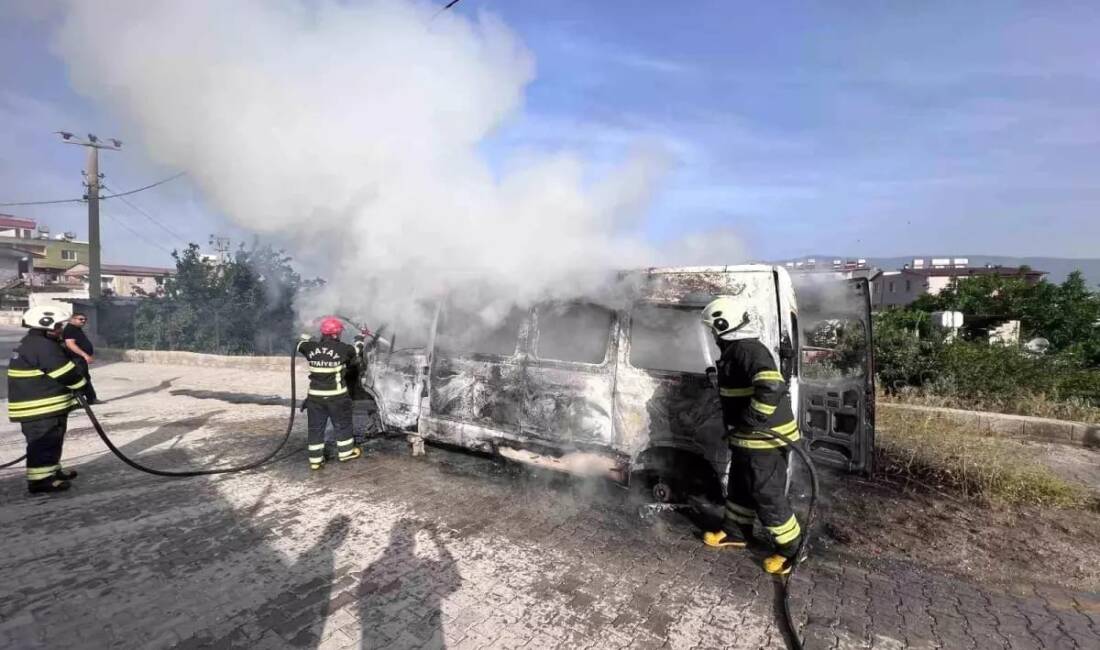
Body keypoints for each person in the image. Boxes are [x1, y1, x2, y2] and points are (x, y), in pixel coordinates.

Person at [700, 295, 802, 575]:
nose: (712, 334)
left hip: (766, 441)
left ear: (723, 325)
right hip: (747, 440)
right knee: (740, 487)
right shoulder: (736, 352)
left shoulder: (748, 350)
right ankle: (735, 531)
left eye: (713, 329)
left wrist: (752, 418)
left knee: (766, 494)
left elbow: (770, 386)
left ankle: (791, 550)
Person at [7, 304, 90, 494]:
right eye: (58, 326)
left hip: (43, 405)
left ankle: (51, 471)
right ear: (47, 325)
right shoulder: (43, 347)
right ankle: (40, 481)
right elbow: (66, 373)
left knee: (51, 441)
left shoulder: (33, 343)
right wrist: (82, 385)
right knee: (43, 443)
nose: (60, 330)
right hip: (40, 408)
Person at [297, 317, 364, 470]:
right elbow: (358, 350)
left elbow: (299, 344)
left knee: (315, 428)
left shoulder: (310, 348)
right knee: (343, 425)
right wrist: (360, 337)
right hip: (337, 398)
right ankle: (345, 453)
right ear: (335, 334)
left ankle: (315, 460)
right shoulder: (344, 349)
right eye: (339, 333)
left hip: (315, 399)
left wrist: (308, 329)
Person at [62, 311, 101, 404]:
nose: (83, 321)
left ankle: (91, 398)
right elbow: (71, 344)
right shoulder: (70, 329)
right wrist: (85, 355)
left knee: (85, 377)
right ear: (72, 319)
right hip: (76, 358)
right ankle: (82, 399)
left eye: (85, 319)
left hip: (79, 359)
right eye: (80, 319)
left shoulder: (76, 329)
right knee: (81, 378)